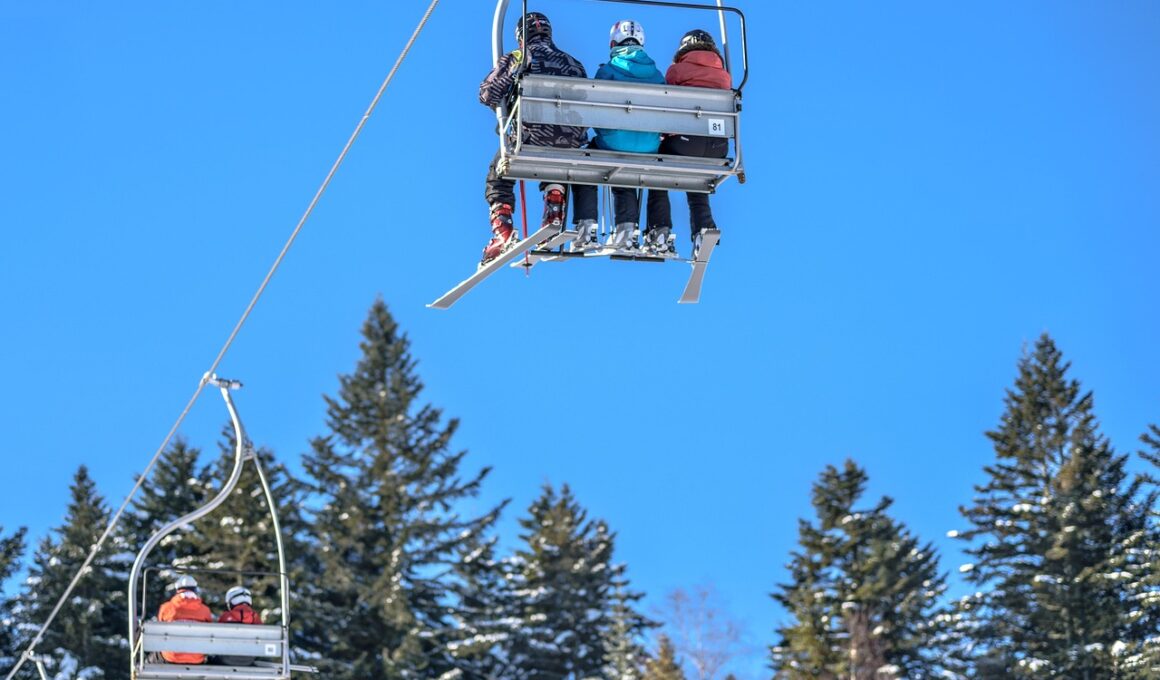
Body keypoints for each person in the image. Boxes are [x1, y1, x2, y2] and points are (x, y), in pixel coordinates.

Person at [479, 12, 598, 266]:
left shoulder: (520, 57)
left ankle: (502, 231)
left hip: (530, 137)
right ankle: (554, 208)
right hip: (569, 141)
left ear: (521, 36)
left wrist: (507, 98)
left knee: (498, 175)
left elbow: (488, 93)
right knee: (557, 156)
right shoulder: (573, 64)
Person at [644, 30, 734, 257]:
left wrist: (664, 133)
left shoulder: (677, 71)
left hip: (685, 142)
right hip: (717, 146)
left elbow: (667, 106)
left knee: (656, 172)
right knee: (697, 179)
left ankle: (659, 229)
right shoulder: (725, 76)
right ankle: (704, 228)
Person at [588, 20, 666, 252]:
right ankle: (660, 231)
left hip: (615, 142)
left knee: (599, 160)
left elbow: (593, 110)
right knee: (654, 171)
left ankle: (621, 228)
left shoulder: (607, 71)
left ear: (613, 43)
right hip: (649, 145)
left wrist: (604, 132)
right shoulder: (657, 75)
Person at [156, 575, 213, 665]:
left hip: (171, 657)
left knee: (151, 659)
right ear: (195, 590)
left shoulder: (166, 608)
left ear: (177, 590)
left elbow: (159, 630)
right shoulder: (205, 610)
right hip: (196, 658)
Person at [215, 585, 263, 666]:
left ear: (231, 601)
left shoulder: (226, 616)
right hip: (249, 659)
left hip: (226, 659)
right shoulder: (255, 618)